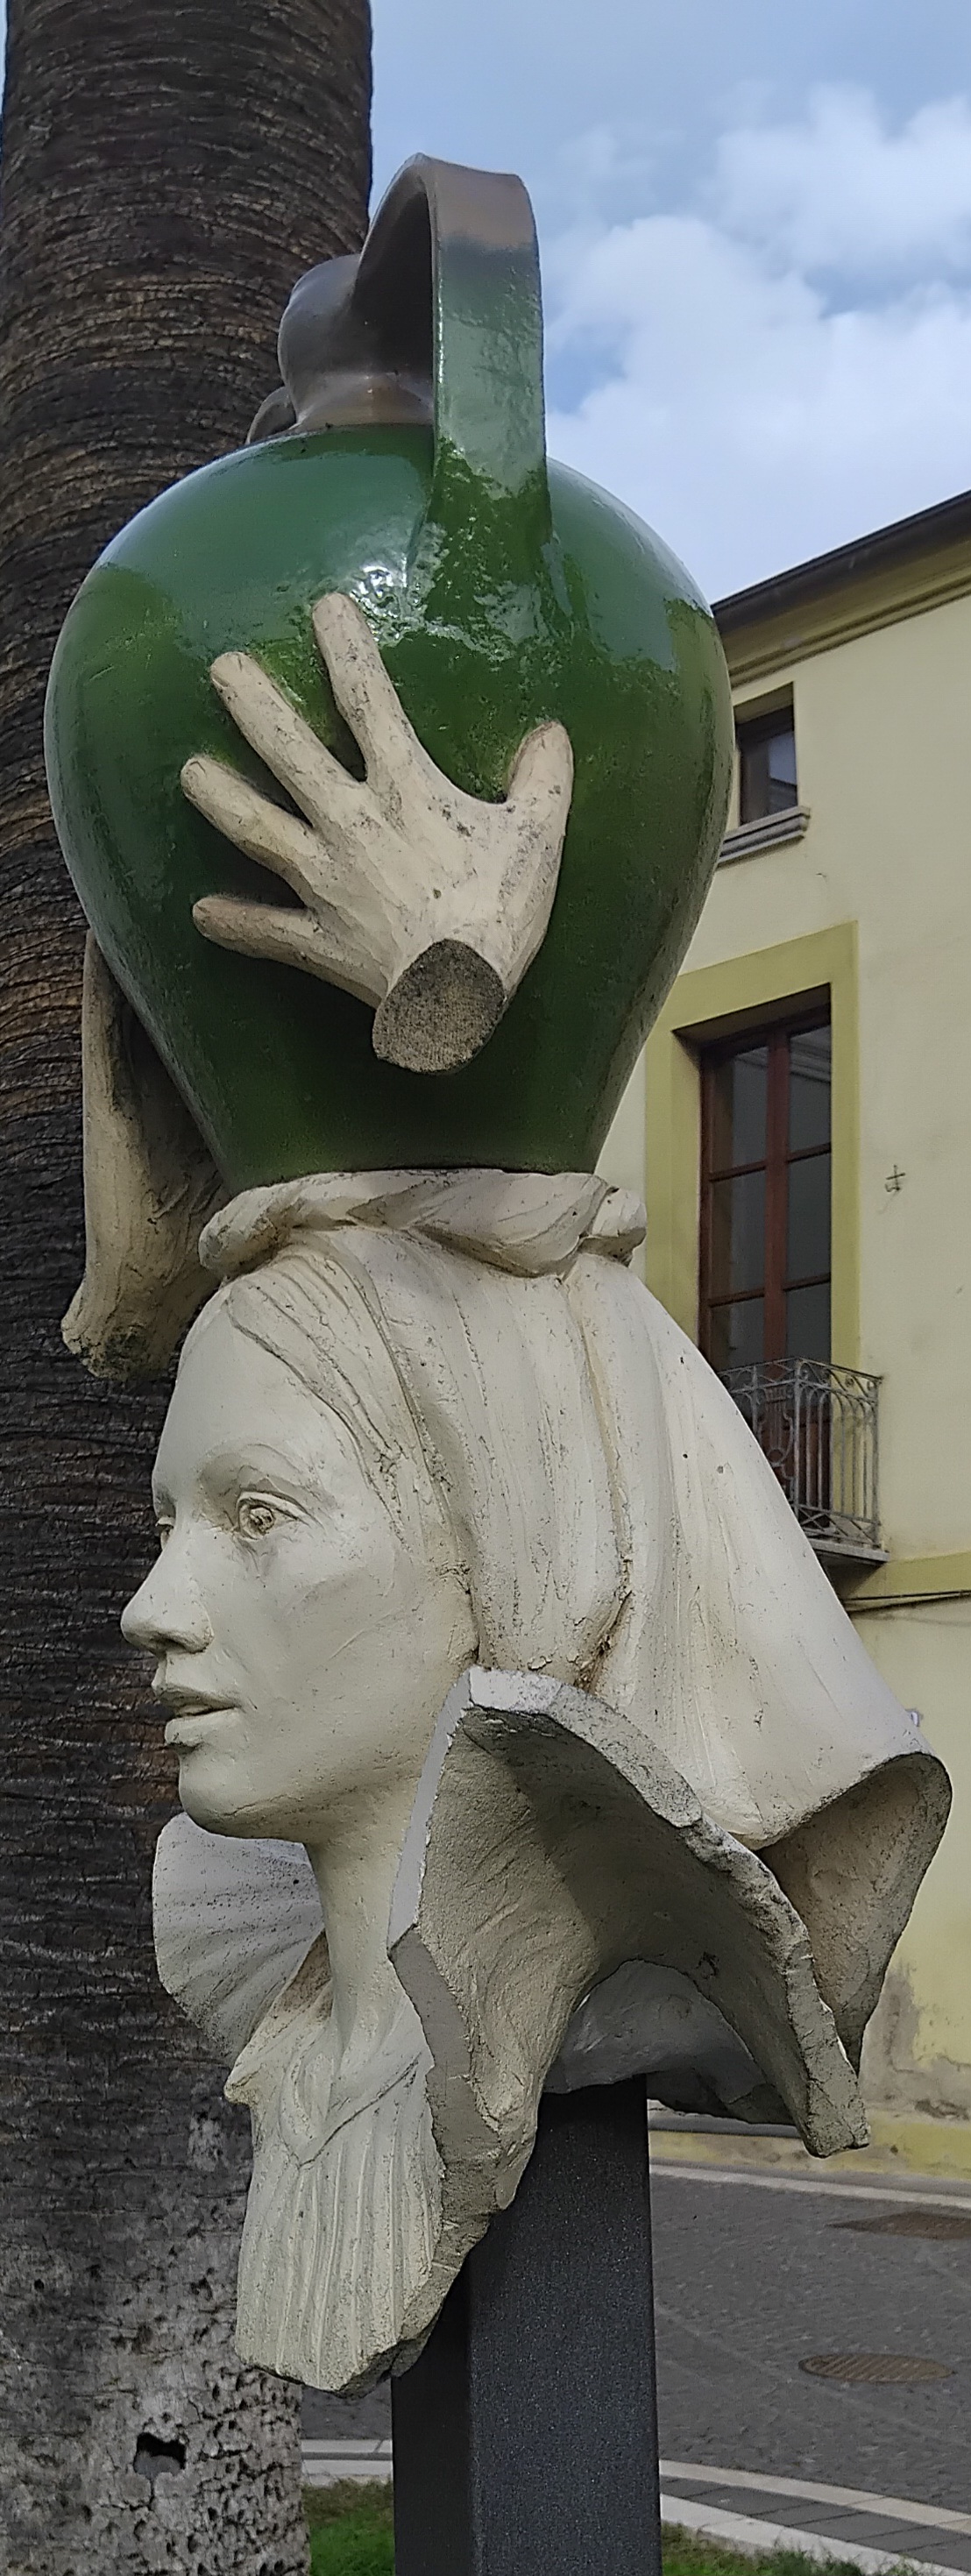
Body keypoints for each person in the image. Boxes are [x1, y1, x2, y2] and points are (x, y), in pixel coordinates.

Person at [126, 1167, 949, 2393]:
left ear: (521, 1550)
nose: (152, 1609)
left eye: (257, 1514)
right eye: (166, 1525)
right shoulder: (265, 1999)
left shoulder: (602, 1997)